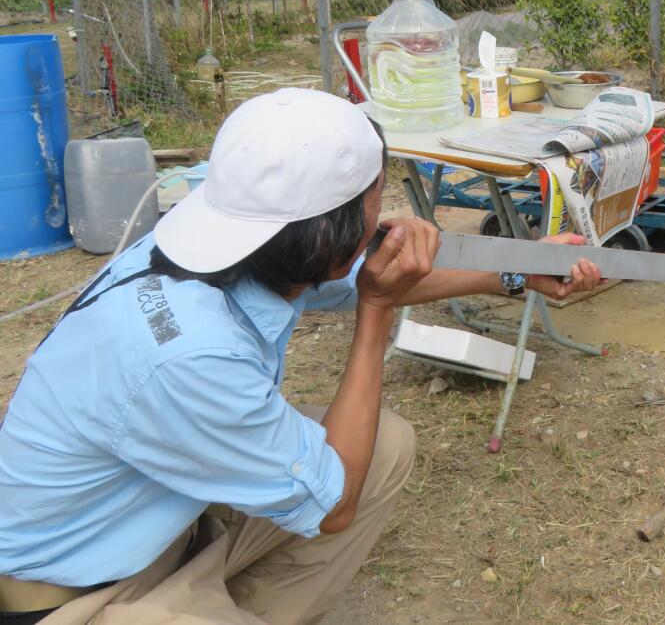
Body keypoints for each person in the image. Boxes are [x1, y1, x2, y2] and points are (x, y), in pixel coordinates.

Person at [0, 88, 601, 624]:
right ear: (332, 235)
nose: (385, 214)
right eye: (377, 197)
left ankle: (230, 605)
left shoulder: (234, 237)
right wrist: (376, 314)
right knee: (342, 480)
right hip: (71, 593)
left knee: (382, 447)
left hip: (164, 523)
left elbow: (365, 275)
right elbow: (334, 504)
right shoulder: (189, 355)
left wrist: (515, 271)